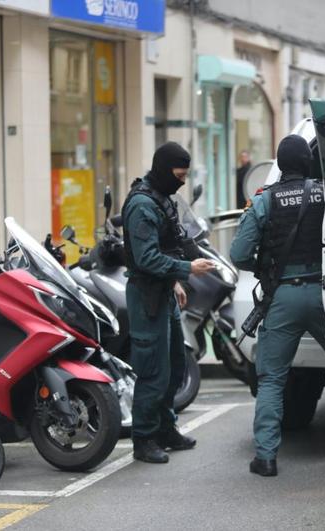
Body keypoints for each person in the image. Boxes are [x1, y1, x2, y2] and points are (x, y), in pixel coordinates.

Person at [230, 134, 325, 478]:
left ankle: (266, 457)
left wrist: (265, 268)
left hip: (284, 296)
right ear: (307, 162)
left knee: (272, 379)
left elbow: (239, 254)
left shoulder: (265, 200)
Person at [122, 141, 215, 464]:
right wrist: (187, 269)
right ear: (164, 170)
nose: (183, 181)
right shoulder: (141, 206)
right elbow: (147, 257)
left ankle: (165, 428)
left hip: (164, 292)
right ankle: (144, 439)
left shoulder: (162, 198)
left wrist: (177, 277)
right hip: (147, 297)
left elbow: (173, 240)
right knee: (153, 372)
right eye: (179, 174)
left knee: (176, 365)